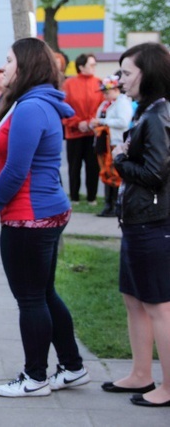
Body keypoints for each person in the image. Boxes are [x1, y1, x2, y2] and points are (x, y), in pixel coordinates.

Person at [0, 37, 90, 398]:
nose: (4, 67)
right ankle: (72, 367)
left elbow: (16, 170)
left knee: (31, 298)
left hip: (30, 215)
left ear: (25, 66)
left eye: (9, 60)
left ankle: (34, 377)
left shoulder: (30, 107)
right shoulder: (33, 102)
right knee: (43, 293)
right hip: (42, 210)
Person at [105, 42, 170, 408]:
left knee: (159, 306)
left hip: (154, 224)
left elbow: (154, 173)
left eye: (127, 73)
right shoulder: (147, 111)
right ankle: (141, 374)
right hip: (138, 223)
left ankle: (167, 386)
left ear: (149, 74)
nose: (120, 79)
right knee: (134, 300)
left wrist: (119, 161)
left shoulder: (159, 114)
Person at [89, 75, 133, 217]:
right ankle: (108, 205)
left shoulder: (122, 103)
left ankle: (116, 205)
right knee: (106, 172)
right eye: (103, 92)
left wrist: (103, 121)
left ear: (115, 90)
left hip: (115, 143)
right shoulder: (105, 104)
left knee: (115, 174)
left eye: (107, 92)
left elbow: (123, 122)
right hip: (104, 143)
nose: (104, 95)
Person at [62, 53, 102, 204]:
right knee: (74, 166)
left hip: (93, 132)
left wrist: (92, 122)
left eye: (94, 65)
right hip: (74, 133)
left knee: (93, 166)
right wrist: (77, 123)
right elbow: (64, 107)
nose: (93, 68)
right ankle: (74, 197)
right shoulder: (69, 84)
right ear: (81, 67)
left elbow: (102, 106)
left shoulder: (99, 83)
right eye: (91, 65)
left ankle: (92, 197)